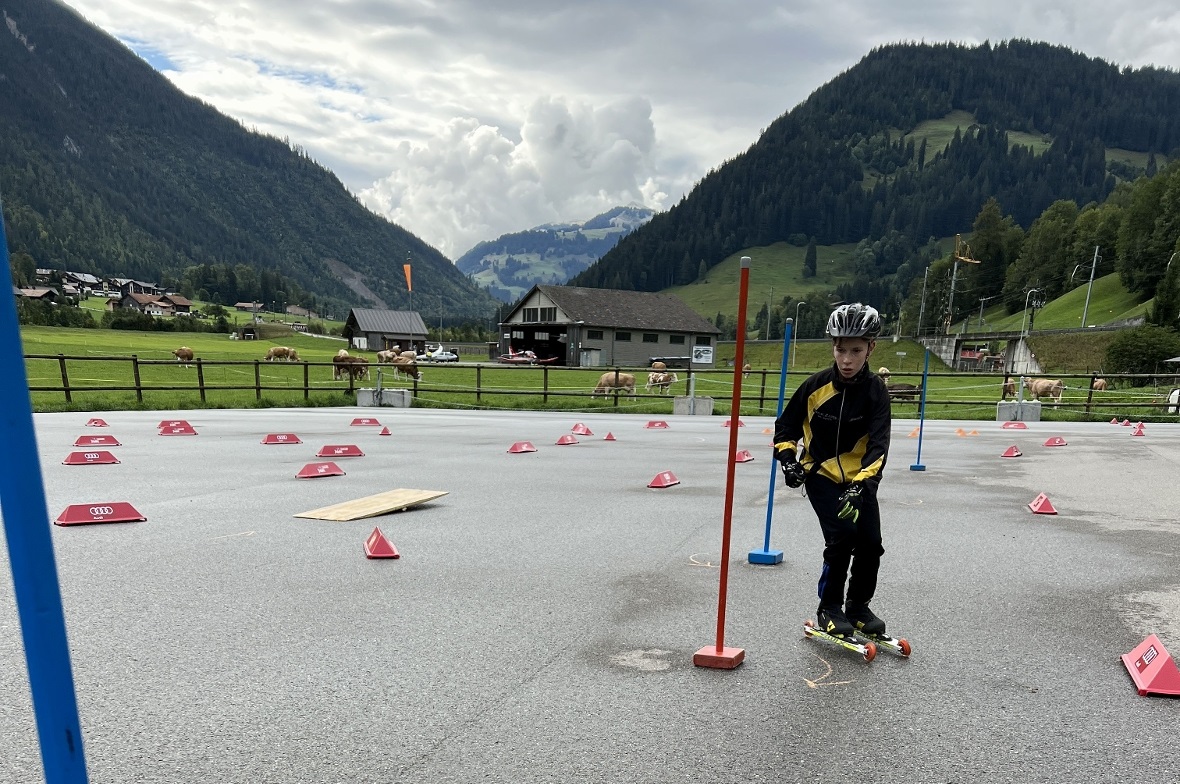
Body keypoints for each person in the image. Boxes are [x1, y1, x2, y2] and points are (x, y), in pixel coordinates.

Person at [772, 303, 892, 639]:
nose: (847, 359)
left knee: (870, 543)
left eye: (856, 350)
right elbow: (785, 429)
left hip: (860, 481)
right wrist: (788, 460)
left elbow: (879, 447)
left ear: (871, 348)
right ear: (833, 348)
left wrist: (860, 487)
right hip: (821, 476)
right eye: (841, 349)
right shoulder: (815, 386)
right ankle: (828, 608)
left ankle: (857, 607)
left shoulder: (876, 393)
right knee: (842, 536)